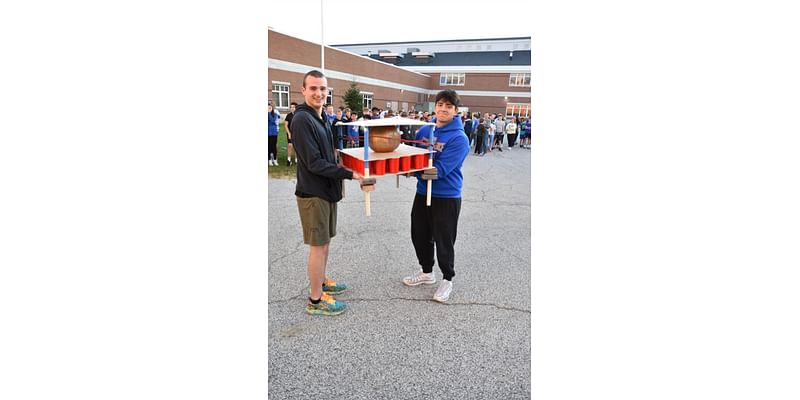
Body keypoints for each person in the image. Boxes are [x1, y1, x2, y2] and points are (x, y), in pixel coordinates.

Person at [291, 70, 364, 316]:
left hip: (326, 191)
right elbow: (314, 163)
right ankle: (315, 300)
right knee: (318, 245)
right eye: (313, 88)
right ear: (303, 90)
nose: (318, 93)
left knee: (325, 242)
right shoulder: (302, 120)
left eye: (322, 88)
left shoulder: (321, 118)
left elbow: (329, 155)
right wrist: (349, 174)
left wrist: (348, 164)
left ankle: (321, 281)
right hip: (313, 193)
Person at [401, 90, 469, 303]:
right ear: (435, 107)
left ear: (455, 110)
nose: (443, 109)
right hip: (423, 193)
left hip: (446, 196)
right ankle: (427, 272)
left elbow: (441, 169)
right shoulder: (425, 130)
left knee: (444, 239)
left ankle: (447, 279)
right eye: (440, 104)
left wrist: (413, 170)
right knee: (419, 234)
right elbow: (412, 154)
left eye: (448, 106)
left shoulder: (459, 138)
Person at [283, 102, 298, 166]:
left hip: (298, 133)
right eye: (291, 107)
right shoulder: (288, 115)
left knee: (297, 147)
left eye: (293, 107)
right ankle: (289, 160)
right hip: (290, 133)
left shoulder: (299, 115)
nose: (292, 108)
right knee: (290, 145)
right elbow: (286, 125)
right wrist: (289, 133)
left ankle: (297, 160)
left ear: (296, 108)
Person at [268, 102, 280, 166]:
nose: (269, 108)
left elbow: (273, 121)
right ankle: (269, 160)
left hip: (274, 132)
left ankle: (275, 160)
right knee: (269, 146)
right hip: (268, 132)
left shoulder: (275, 114)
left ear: (272, 108)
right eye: (268, 108)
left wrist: (269, 113)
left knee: (274, 146)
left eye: (270, 107)